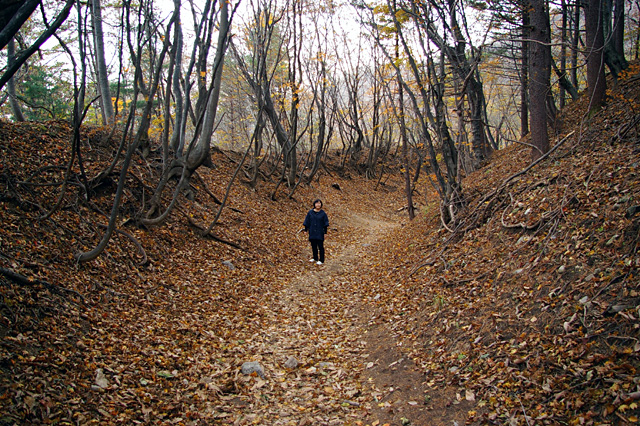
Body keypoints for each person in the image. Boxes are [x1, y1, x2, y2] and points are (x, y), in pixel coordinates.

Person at [302, 199, 329, 265]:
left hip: (320, 232)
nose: (318, 205)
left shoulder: (323, 213)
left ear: (321, 204)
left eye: (319, 203)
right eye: (316, 203)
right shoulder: (310, 212)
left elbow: (325, 224)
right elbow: (307, 221)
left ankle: (321, 260)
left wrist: (325, 233)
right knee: (313, 245)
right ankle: (315, 257)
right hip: (312, 231)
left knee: (320, 246)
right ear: (314, 204)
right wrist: (306, 230)